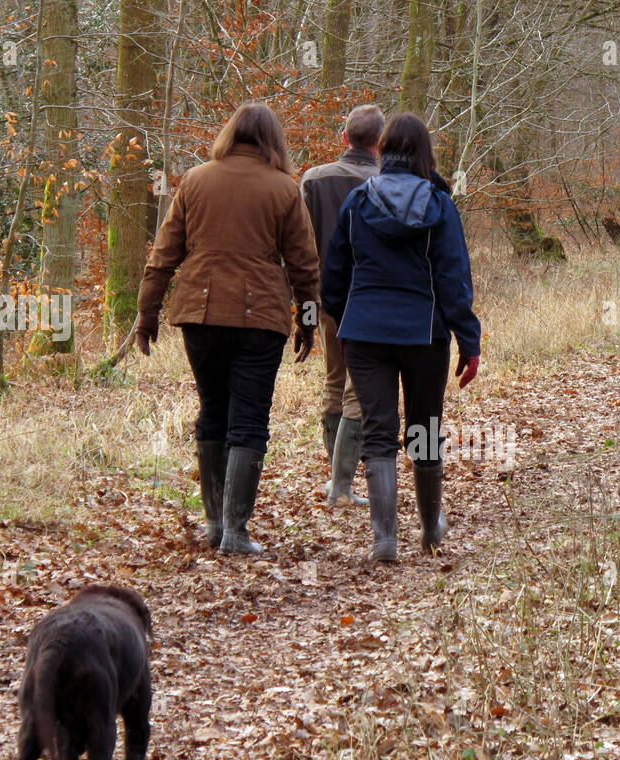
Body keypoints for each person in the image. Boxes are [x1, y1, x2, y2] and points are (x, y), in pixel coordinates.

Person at [133, 102, 321, 556]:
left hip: (200, 316)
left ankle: (215, 524)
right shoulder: (284, 188)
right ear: (272, 140)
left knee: (213, 411)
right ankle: (235, 531)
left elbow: (163, 255)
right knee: (250, 418)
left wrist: (147, 314)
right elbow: (305, 266)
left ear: (230, 134)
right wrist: (308, 321)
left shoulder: (196, 180)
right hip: (261, 323)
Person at [320, 112, 482, 563]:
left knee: (378, 432)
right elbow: (454, 278)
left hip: (365, 334)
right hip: (424, 333)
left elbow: (334, 276)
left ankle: (385, 540)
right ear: (424, 152)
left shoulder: (357, 202)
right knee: (424, 430)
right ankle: (431, 528)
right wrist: (469, 340)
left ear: (382, 149)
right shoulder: (439, 205)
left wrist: (345, 315)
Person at [299, 104, 385, 507]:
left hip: (323, 299)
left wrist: (300, 306)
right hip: (370, 298)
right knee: (357, 389)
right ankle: (341, 485)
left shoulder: (313, 180)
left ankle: (336, 481)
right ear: (379, 143)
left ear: (344, 138)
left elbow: (296, 246)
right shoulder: (387, 182)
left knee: (334, 381)